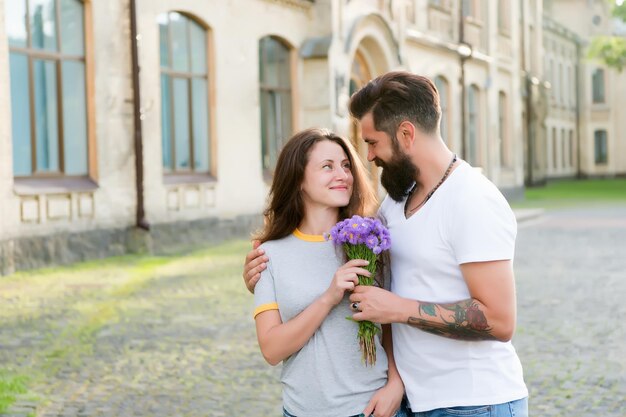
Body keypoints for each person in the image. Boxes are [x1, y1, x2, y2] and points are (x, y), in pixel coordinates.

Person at [244, 72, 528, 417]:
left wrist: (396, 309)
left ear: (405, 134)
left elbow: (499, 320)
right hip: (417, 402)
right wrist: (265, 280)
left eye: (373, 143)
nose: (369, 157)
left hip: (474, 402)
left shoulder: (473, 199)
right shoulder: (395, 204)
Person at [251, 127, 405, 417]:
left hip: (371, 409)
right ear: (298, 180)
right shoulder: (268, 255)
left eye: (346, 166)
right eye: (327, 167)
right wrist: (329, 297)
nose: (343, 175)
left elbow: (391, 327)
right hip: (301, 411)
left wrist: (396, 385)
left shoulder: (370, 242)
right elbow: (271, 349)